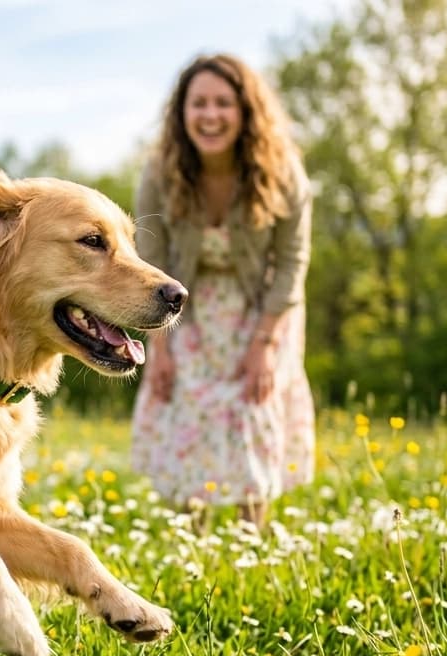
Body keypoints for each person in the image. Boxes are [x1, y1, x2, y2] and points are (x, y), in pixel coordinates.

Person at [130, 53, 315, 525]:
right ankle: (190, 538)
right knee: (184, 405)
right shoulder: (160, 173)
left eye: (223, 103)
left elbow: (293, 263)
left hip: (263, 310)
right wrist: (161, 348)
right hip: (182, 309)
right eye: (199, 104)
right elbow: (150, 261)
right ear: (182, 113)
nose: (210, 116)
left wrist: (266, 345)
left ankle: (249, 538)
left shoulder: (282, 173)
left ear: (245, 111)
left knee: (253, 409)